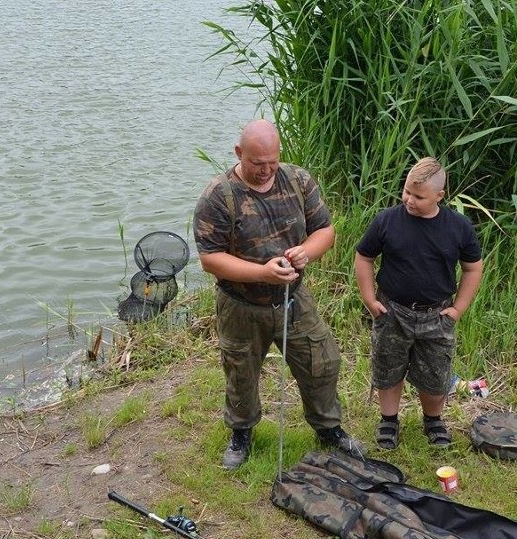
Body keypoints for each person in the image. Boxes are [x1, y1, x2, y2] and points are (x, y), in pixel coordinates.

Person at [193, 119, 366, 470]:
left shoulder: (298, 180)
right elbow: (210, 259)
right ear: (239, 153)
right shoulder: (218, 195)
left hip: (292, 297)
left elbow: (325, 232)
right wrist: (262, 272)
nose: (266, 170)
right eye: (257, 163)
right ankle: (241, 433)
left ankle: (329, 429)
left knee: (322, 362)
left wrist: (307, 252)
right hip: (240, 304)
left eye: (272, 161)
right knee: (240, 370)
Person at [354, 157, 483, 449]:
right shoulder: (387, 220)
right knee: (388, 367)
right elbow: (364, 257)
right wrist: (369, 298)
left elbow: (473, 268)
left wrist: (457, 309)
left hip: (437, 314)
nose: (410, 200)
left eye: (419, 196)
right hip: (392, 310)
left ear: (439, 196)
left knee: (436, 372)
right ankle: (389, 420)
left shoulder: (458, 227)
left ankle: (433, 420)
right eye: (407, 192)